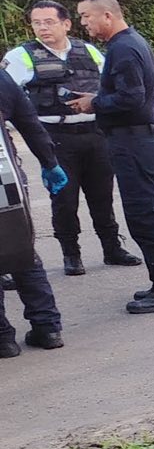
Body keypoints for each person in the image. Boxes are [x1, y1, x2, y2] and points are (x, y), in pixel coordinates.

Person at [3, 0, 142, 276]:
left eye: (49, 22)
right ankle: (71, 254)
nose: (42, 28)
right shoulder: (21, 57)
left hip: (94, 133)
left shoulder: (88, 50)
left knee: (102, 195)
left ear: (66, 24)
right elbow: (6, 97)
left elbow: (108, 85)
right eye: (36, 23)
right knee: (64, 198)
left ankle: (112, 247)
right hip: (56, 136)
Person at [71, 0, 154, 313]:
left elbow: (131, 98)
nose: (84, 23)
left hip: (134, 143)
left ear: (107, 16)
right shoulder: (128, 43)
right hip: (140, 140)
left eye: (86, 16)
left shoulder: (124, 48)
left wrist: (93, 102)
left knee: (146, 216)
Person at [0, 68, 68, 353]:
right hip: (5, 176)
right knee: (21, 249)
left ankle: (3, 339)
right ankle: (47, 327)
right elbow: (29, 123)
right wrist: (50, 162)